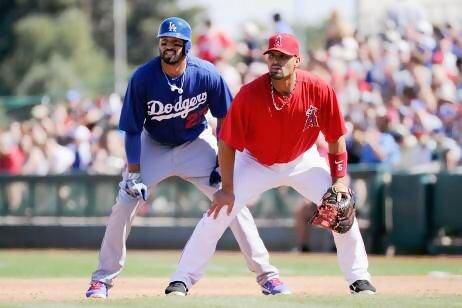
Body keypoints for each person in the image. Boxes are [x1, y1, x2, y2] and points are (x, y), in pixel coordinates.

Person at [85, 17, 290, 299]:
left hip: (196, 144)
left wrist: (222, 160)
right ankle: (102, 280)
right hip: (153, 145)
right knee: (124, 202)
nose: (169, 46)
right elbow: (132, 131)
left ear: (187, 46)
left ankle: (268, 275)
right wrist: (134, 173)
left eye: (175, 42)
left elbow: (226, 120)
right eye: (164, 41)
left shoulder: (206, 74)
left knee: (231, 198)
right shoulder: (143, 78)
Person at [167, 33, 377, 295]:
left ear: (297, 60)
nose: (276, 61)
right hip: (255, 161)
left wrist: (339, 182)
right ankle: (182, 278)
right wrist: (228, 188)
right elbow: (227, 143)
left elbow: (336, 138)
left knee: (341, 208)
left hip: (302, 159)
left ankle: (359, 278)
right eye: (272, 56)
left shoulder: (319, 89)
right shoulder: (249, 94)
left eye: (283, 56)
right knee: (219, 212)